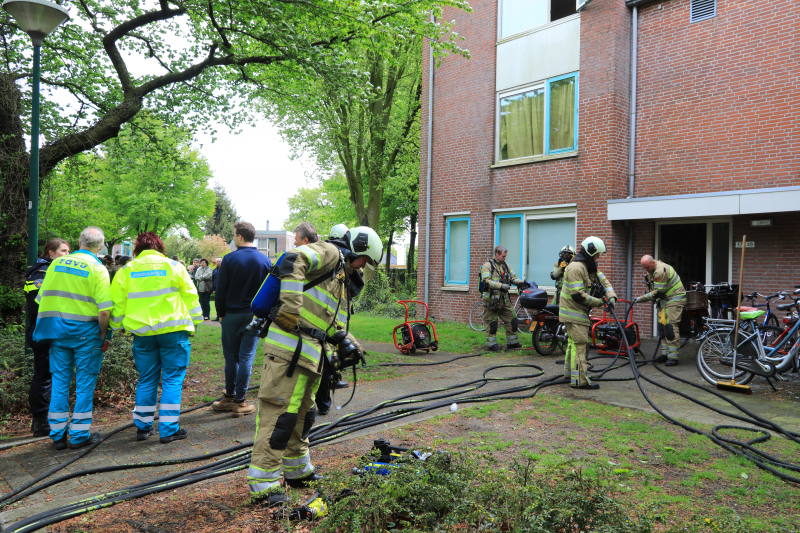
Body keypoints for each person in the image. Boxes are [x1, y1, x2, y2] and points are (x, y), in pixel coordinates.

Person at [246, 226, 379, 506]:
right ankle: (264, 485)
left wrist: (350, 344)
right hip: (287, 352)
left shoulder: (339, 279)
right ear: (355, 250)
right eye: (364, 261)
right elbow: (292, 260)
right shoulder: (329, 252)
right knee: (279, 416)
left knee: (302, 416)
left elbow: (331, 322)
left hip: (309, 356)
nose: (362, 268)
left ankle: (297, 472)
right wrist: (290, 308)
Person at [110, 232, 203, 443]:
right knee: (172, 380)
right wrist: (196, 321)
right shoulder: (174, 266)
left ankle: (143, 427)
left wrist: (118, 326)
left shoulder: (127, 270)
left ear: (137, 249)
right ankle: (168, 429)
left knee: (147, 379)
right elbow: (191, 295)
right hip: (173, 332)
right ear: (159, 247)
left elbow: (118, 302)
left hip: (143, 334)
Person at [33, 227, 112, 450]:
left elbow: (42, 298)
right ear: (101, 246)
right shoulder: (98, 268)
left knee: (59, 382)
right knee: (85, 384)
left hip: (58, 333)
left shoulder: (57, 264)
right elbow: (104, 310)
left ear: (79, 241)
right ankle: (78, 435)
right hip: (87, 334)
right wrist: (103, 333)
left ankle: (58, 434)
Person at [213, 222, 271, 418]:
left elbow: (221, 290)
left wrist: (220, 313)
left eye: (233, 235)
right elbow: (270, 292)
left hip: (232, 315)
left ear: (239, 236)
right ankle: (240, 401)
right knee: (246, 357)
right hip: (254, 316)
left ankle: (229, 397)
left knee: (231, 358)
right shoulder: (265, 261)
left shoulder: (229, 259)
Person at [24, 238, 70, 437]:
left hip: (50, 330)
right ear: (50, 252)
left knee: (49, 375)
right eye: (63, 251)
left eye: (69, 251)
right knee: (43, 375)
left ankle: (47, 419)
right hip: (42, 331)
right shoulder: (41, 271)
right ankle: (40, 420)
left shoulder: (52, 269)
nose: (67, 255)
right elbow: (36, 302)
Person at [559, 236, 617, 390]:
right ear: (591, 252)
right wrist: (600, 302)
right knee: (580, 345)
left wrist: (611, 297)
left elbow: (604, 282)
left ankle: (569, 373)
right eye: (598, 254)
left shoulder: (588, 266)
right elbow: (578, 295)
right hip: (573, 313)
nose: (599, 258)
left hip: (577, 312)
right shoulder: (576, 268)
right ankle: (580, 381)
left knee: (573, 343)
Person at [634, 255, 686, 366]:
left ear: (653, 262)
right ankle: (665, 354)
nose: (646, 270)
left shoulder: (660, 271)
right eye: (644, 268)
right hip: (665, 300)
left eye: (647, 267)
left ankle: (673, 357)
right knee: (662, 328)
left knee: (670, 327)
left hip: (674, 299)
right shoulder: (651, 271)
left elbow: (658, 292)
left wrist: (640, 299)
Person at [479, 246, 530, 351]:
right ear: (497, 254)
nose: (505, 258)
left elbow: (513, 277)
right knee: (492, 323)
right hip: (491, 301)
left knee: (512, 319)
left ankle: (512, 343)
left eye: (505, 256)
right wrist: (501, 286)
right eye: (503, 256)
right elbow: (486, 281)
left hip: (504, 300)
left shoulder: (506, 266)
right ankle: (492, 345)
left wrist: (520, 283)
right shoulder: (487, 266)